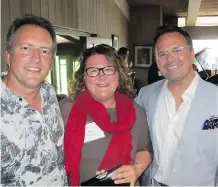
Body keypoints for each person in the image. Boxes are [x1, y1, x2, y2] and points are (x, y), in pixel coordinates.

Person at [135, 25, 218, 186]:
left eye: (177, 50)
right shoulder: (145, 96)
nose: (170, 58)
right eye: (162, 54)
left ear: (192, 53)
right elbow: (135, 139)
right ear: (157, 62)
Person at [59, 44, 152, 186]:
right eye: (93, 70)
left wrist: (136, 169)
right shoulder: (66, 109)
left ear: (118, 74)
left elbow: (144, 149)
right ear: (84, 77)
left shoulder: (136, 112)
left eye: (108, 69)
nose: (101, 76)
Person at [1, 14, 66, 186]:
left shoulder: (49, 93)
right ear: (8, 56)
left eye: (44, 51)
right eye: (26, 49)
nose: (36, 59)